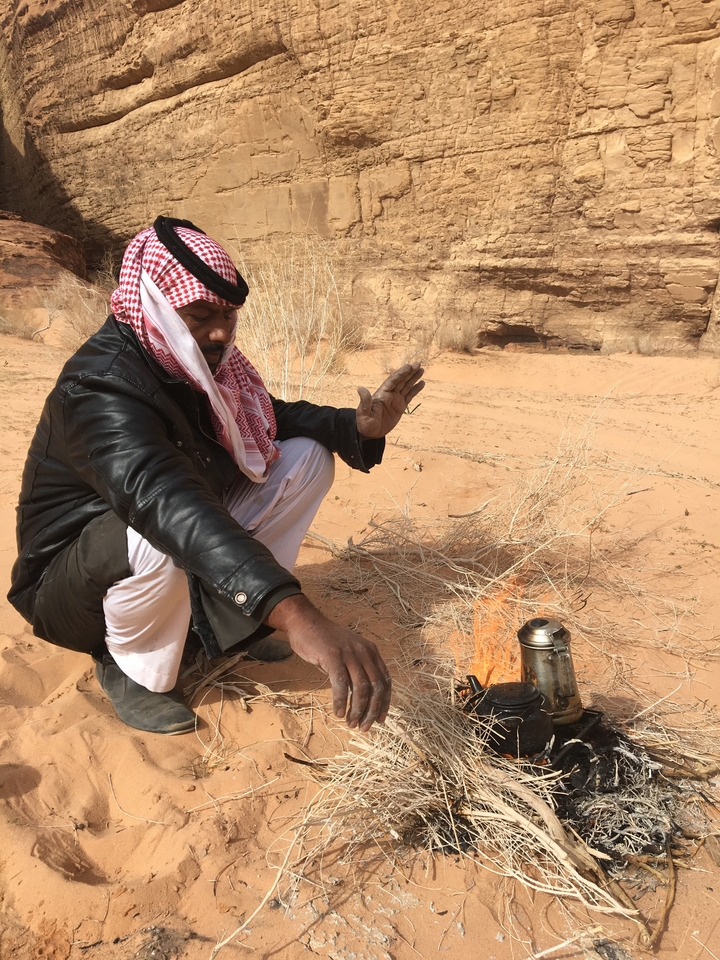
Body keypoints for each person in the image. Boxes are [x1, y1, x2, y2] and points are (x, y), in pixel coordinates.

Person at [7, 217, 424, 737]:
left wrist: (353, 427)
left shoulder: (186, 354)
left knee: (306, 457)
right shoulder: (100, 387)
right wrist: (296, 615)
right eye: (201, 315)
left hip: (156, 527)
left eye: (227, 314)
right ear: (156, 304)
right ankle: (131, 666)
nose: (222, 331)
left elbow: (262, 417)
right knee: (161, 533)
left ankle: (232, 624)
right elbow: (164, 501)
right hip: (72, 585)